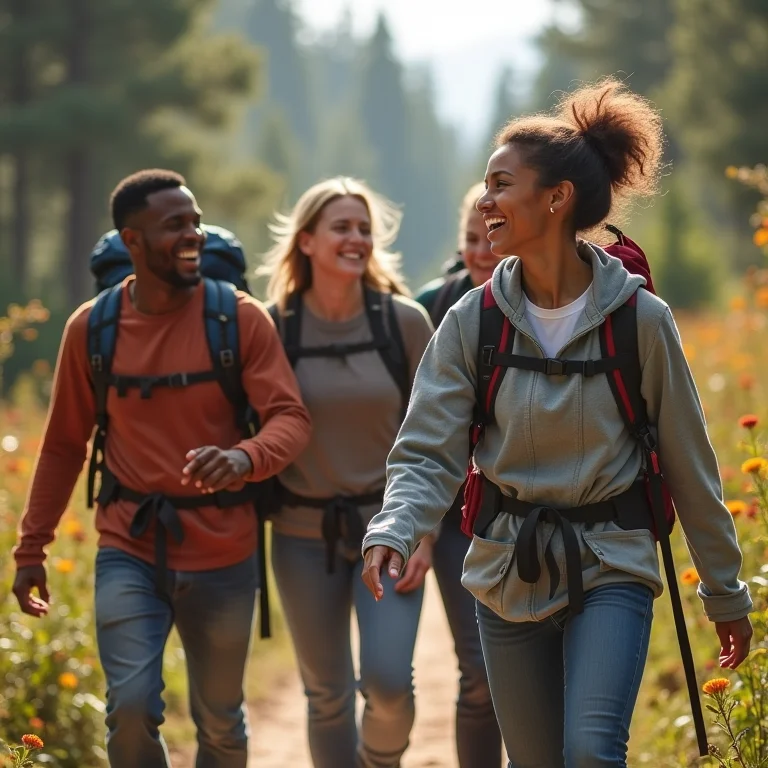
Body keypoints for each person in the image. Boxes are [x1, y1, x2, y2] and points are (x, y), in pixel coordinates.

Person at [361, 79, 753, 767]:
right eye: (485, 185)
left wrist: (724, 591)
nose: (485, 200)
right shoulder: (471, 321)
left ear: (556, 198)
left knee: (593, 753)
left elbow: (691, 468)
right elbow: (427, 449)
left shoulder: (640, 321)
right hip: (508, 568)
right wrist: (397, 526)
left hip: (613, 563)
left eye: (501, 183)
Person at [12, 169, 312, 768]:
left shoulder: (239, 319)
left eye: (195, 222)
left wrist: (242, 458)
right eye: (174, 224)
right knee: (127, 707)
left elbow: (290, 418)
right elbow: (64, 445)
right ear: (133, 239)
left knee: (221, 723)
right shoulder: (90, 330)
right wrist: (31, 550)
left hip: (226, 552)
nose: (192, 234)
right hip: (128, 545)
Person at [261, 176, 434, 768]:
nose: (356, 238)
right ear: (306, 240)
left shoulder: (404, 323)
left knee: (388, 685)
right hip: (300, 537)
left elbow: (443, 434)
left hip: (390, 535)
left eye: (364, 228)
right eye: (341, 227)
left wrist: (424, 533)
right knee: (326, 696)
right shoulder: (272, 327)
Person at [412, 182, 504, 767]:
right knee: (477, 668)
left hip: (523, 512)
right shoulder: (434, 305)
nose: (481, 253)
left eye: (491, 238)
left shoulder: (549, 305)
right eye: (471, 239)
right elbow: (414, 420)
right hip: (453, 520)